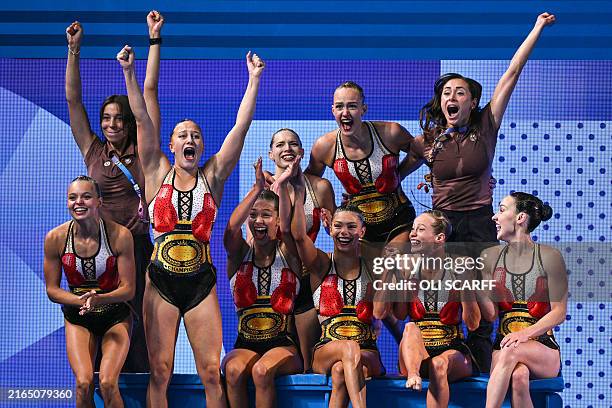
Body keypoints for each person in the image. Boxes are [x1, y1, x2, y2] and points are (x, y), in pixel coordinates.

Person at [403, 13, 557, 372]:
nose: (452, 97)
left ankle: (483, 358)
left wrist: (535, 28)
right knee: (434, 292)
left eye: (460, 92)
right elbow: (392, 174)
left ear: (472, 102)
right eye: (446, 93)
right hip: (443, 224)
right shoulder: (427, 141)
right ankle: (422, 356)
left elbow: (512, 73)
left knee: (482, 296)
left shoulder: (486, 125)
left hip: (478, 222)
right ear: (440, 101)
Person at [118, 43, 264, 407]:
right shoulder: (155, 171)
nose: (190, 139)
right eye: (182, 135)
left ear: (202, 146)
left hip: (201, 282)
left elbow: (240, 127)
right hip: (161, 283)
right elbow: (140, 119)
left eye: (195, 135)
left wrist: (254, 79)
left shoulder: (212, 175)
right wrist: (128, 73)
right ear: (170, 144)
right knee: (161, 372)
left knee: (211, 373)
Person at [64, 12, 165, 371]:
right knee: (97, 322)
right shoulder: (93, 149)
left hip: (136, 248)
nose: (111, 124)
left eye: (118, 118)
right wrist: (74, 51)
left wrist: (154, 41)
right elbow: (74, 102)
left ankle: (138, 386)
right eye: (106, 118)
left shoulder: (144, 151)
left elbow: (148, 97)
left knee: (141, 325)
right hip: (99, 252)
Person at [290, 162, 383, 408]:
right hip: (325, 349)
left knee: (343, 370)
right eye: (339, 226)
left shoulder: (374, 269)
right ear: (329, 229)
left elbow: (387, 315)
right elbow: (299, 236)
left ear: (362, 231)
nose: (344, 231)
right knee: (347, 351)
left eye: (351, 226)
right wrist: (299, 195)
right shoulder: (321, 264)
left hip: (368, 351)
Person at [43, 176, 135, 407]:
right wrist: (79, 301)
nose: (78, 202)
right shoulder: (55, 238)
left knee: (107, 383)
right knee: (83, 383)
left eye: (86, 196)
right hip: (78, 317)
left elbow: (128, 289)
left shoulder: (120, 235)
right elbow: (52, 290)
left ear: (99, 202)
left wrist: (99, 298)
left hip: (115, 315)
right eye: (72, 197)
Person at [222, 158, 304, 407]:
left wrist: (291, 186)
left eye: (266, 215)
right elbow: (230, 229)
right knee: (234, 371)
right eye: (254, 215)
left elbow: (291, 231)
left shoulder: (289, 254)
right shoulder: (239, 255)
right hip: (245, 343)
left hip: (284, 345)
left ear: (278, 221)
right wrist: (257, 188)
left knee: (261, 371)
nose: (258, 220)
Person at [482, 193, 566, 408]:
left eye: (501, 210)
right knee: (519, 378)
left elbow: (559, 313)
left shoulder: (549, 256)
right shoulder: (489, 257)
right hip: (503, 346)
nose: (494, 217)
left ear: (520, 218)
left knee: (511, 351)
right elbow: (490, 315)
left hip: (542, 348)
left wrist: (523, 334)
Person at [389, 211, 480, 407]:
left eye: (420, 230)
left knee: (439, 364)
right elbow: (400, 314)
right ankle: (413, 376)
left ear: (439, 238)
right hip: (416, 354)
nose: (412, 234)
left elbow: (473, 324)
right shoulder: (407, 266)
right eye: (412, 229)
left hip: (452, 349)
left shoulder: (460, 266)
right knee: (410, 327)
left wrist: (466, 286)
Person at [265, 128, 336, 371]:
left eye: (293, 143)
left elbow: (338, 233)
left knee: (309, 362)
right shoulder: (262, 191)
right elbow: (257, 243)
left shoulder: (321, 187)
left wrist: (331, 225)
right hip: (276, 278)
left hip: (307, 279)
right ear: (271, 154)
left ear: (302, 152)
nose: (287, 148)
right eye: (281, 144)